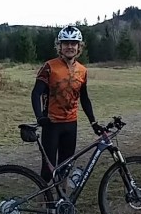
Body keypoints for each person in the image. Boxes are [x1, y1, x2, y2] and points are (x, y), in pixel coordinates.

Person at [31, 25, 104, 183]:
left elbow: (84, 98)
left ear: (79, 46)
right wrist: (39, 117)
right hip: (51, 124)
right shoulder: (49, 67)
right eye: (66, 43)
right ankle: (45, 196)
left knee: (65, 167)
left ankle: (61, 195)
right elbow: (36, 93)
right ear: (60, 46)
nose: (70, 47)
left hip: (71, 124)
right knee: (48, 169)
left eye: (73, 43)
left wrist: (93, 122)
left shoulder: (82, 70)